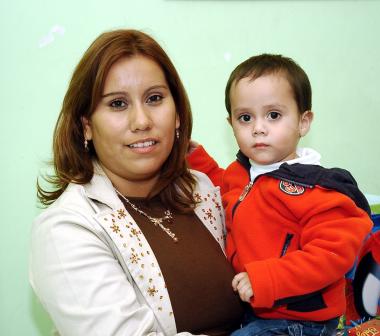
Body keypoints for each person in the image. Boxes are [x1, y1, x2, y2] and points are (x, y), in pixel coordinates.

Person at [29, 29, 244, 336]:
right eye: (118, 104)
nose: (142, 121)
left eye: (155, 98)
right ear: (86, 126)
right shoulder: (66, 229)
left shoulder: (204, 190)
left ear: (178, 114)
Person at [187, 54, 373, 336]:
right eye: (245, 117)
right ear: (231, 124)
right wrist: (195, 158)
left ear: (303, 121)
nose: (258, 127)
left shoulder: (320, 189)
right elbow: (221, 186)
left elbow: (332, 255)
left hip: (302, 320)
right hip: (253, 308)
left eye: (273, 115)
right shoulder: (243, 173)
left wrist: (267, 280)